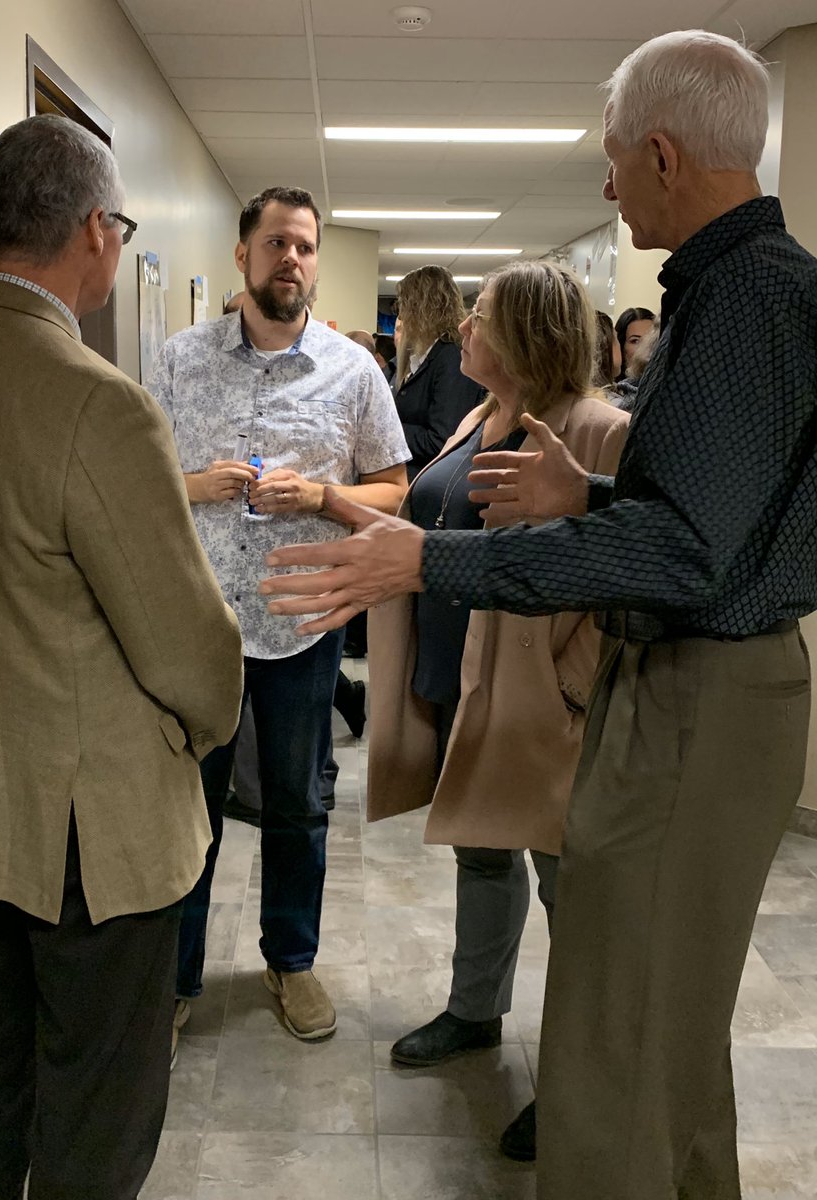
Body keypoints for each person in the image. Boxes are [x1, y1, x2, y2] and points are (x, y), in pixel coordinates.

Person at [260, 30, 817, 1197]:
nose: (608, 186)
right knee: (662, 1032)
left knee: (615, 1041)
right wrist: (592, 496)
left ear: (663, 153)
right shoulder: (740, 293)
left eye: (616, 161)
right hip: (689, 685)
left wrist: (435, 564)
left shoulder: (747, 302)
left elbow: (687, 555)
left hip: (702, 695)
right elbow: (709, 517)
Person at [0, 114, 243, 1200]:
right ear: (94, 230)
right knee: (99, 1102)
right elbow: (189, 648)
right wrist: (207, 727)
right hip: (96, 826)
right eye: (120, 225)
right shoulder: (97, 404)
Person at [149, 185, 409, 1042]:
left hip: (303, 623)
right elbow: (131, 482)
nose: (290, 260)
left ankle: (291, 964)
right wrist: (195, 485)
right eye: (275, 244)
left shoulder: (353, 370)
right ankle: (177, 978)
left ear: (314, 261)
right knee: (194, 810)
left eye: (303, 246)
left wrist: (323, 493)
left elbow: (396, 493)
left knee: (298, 807)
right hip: (198, 628)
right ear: (243, 257)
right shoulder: (180, 362)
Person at [369, 264, 628, 1086]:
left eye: (481, 319)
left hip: (541, 701)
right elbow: (433, 517)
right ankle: (475, 1010)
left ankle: (579, 1083)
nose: (465, 332)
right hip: (462, 678)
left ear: (526, 335)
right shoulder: (482, 413)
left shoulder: (594, 430)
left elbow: (619, 575)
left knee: (568, 889)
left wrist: (570, 684)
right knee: (481, 852)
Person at [392, 265, 487, 477]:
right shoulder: (422, 356)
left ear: (421, 308)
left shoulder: (452, 357)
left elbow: (441, 440)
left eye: (404, 305)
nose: (401, 315)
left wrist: (386, 427)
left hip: (431, 477)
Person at [614, 304, 655, 378]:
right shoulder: (607, 388)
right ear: (621, 345)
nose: (644, 347)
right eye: (635, 341)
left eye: (650, 340)